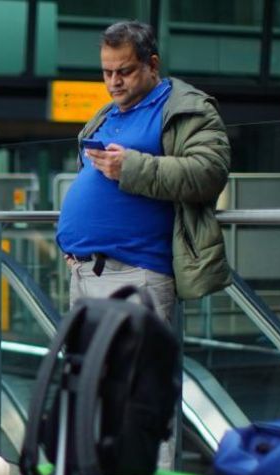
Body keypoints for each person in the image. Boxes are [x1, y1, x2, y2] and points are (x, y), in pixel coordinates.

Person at [55, 20, 231, 323]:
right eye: (106, 73)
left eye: (124, 71)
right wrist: (74, 244)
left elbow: (209, 171)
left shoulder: (186, 108)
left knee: (133, 371)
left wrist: (130, 167)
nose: (113, 82)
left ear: (152, 65)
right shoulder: (105, 114)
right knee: (87, 371)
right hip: (84, 273)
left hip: (137, 275)